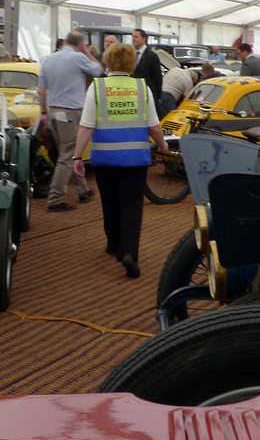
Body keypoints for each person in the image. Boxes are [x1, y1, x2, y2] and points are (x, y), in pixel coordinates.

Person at [72, 43, 166, 279]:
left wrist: (77, 155)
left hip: (105, 158)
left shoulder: (97, 88)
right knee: (132, 207)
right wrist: (163, 145)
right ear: (132, 63)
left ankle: (114, 244)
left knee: (110, 202)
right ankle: (130, 253)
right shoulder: (142, 88)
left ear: (108, 61)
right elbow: (153, 126)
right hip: (136, 159)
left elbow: (86, 125)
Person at [39, 31, 103, 211]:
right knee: (67, 155)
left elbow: (41, 90)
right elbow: (98, 71)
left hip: (52, 110)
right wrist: (87, 52)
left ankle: (83, 189)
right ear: (80, 44)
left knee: (68, 152)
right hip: (70, 111)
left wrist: (43, 112)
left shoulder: (48, 59)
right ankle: (55, 199)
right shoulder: (77, 58)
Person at [130, 28, 164, 107]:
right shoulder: (130, 54)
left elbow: (158, 78)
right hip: (133, 93)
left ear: (144, 39)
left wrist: (157, 97)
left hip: (147, 95)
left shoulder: (152, 56)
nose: (133, 39)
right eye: (132, 37)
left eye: (136, 37)